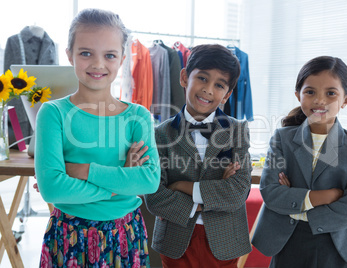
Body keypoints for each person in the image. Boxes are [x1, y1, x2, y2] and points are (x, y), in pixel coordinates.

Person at [34, 8, 160, 267]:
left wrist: (82, 170)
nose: (98, 64)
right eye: (86, 53)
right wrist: (122, 179)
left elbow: (148, 181)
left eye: (110, 55)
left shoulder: (138, 116)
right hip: (69, 237)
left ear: (122, 58)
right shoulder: (53, 113)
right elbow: (52, 188)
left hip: (125, 236)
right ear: (70, 55)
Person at [251, 56, 347, 267]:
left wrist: (297, 204)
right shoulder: (282, 138)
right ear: (298, 95)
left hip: (337, 244)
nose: (320, 100)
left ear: (346, 100)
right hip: (288, 241)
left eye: (331, 93)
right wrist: (328, 196)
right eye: (310, 92)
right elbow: (271, 192)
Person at [144, 44, 252, 267]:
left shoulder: (237, 130)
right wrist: (209, 198)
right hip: (176, 239)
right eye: (202, 78)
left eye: (219, 85)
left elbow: (238, 191)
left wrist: (181, 185)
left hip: (225, 239)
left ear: (227, 94)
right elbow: (154, 196)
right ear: (184, 77)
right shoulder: (159, 134)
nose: (208, 89)